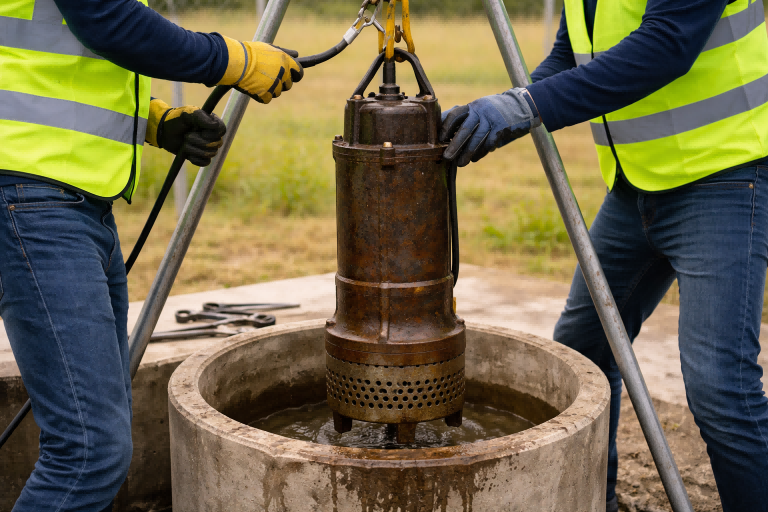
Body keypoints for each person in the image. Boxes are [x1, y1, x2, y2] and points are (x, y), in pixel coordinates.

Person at [439, 0, 768, 510]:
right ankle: (597, 501)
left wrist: (528, 105)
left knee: (720, 388)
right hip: (636, 187)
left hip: (722, 173)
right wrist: (506, 105)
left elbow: (667, 44)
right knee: (584, 346)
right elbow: (573, 55)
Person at [0, 0, 302, 510]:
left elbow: (61, 61)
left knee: (94, 441)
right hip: (34, 200)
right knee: (88, 453)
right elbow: (109, 22)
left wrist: (155, 123)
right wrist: (237, 59)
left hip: (68, 201)